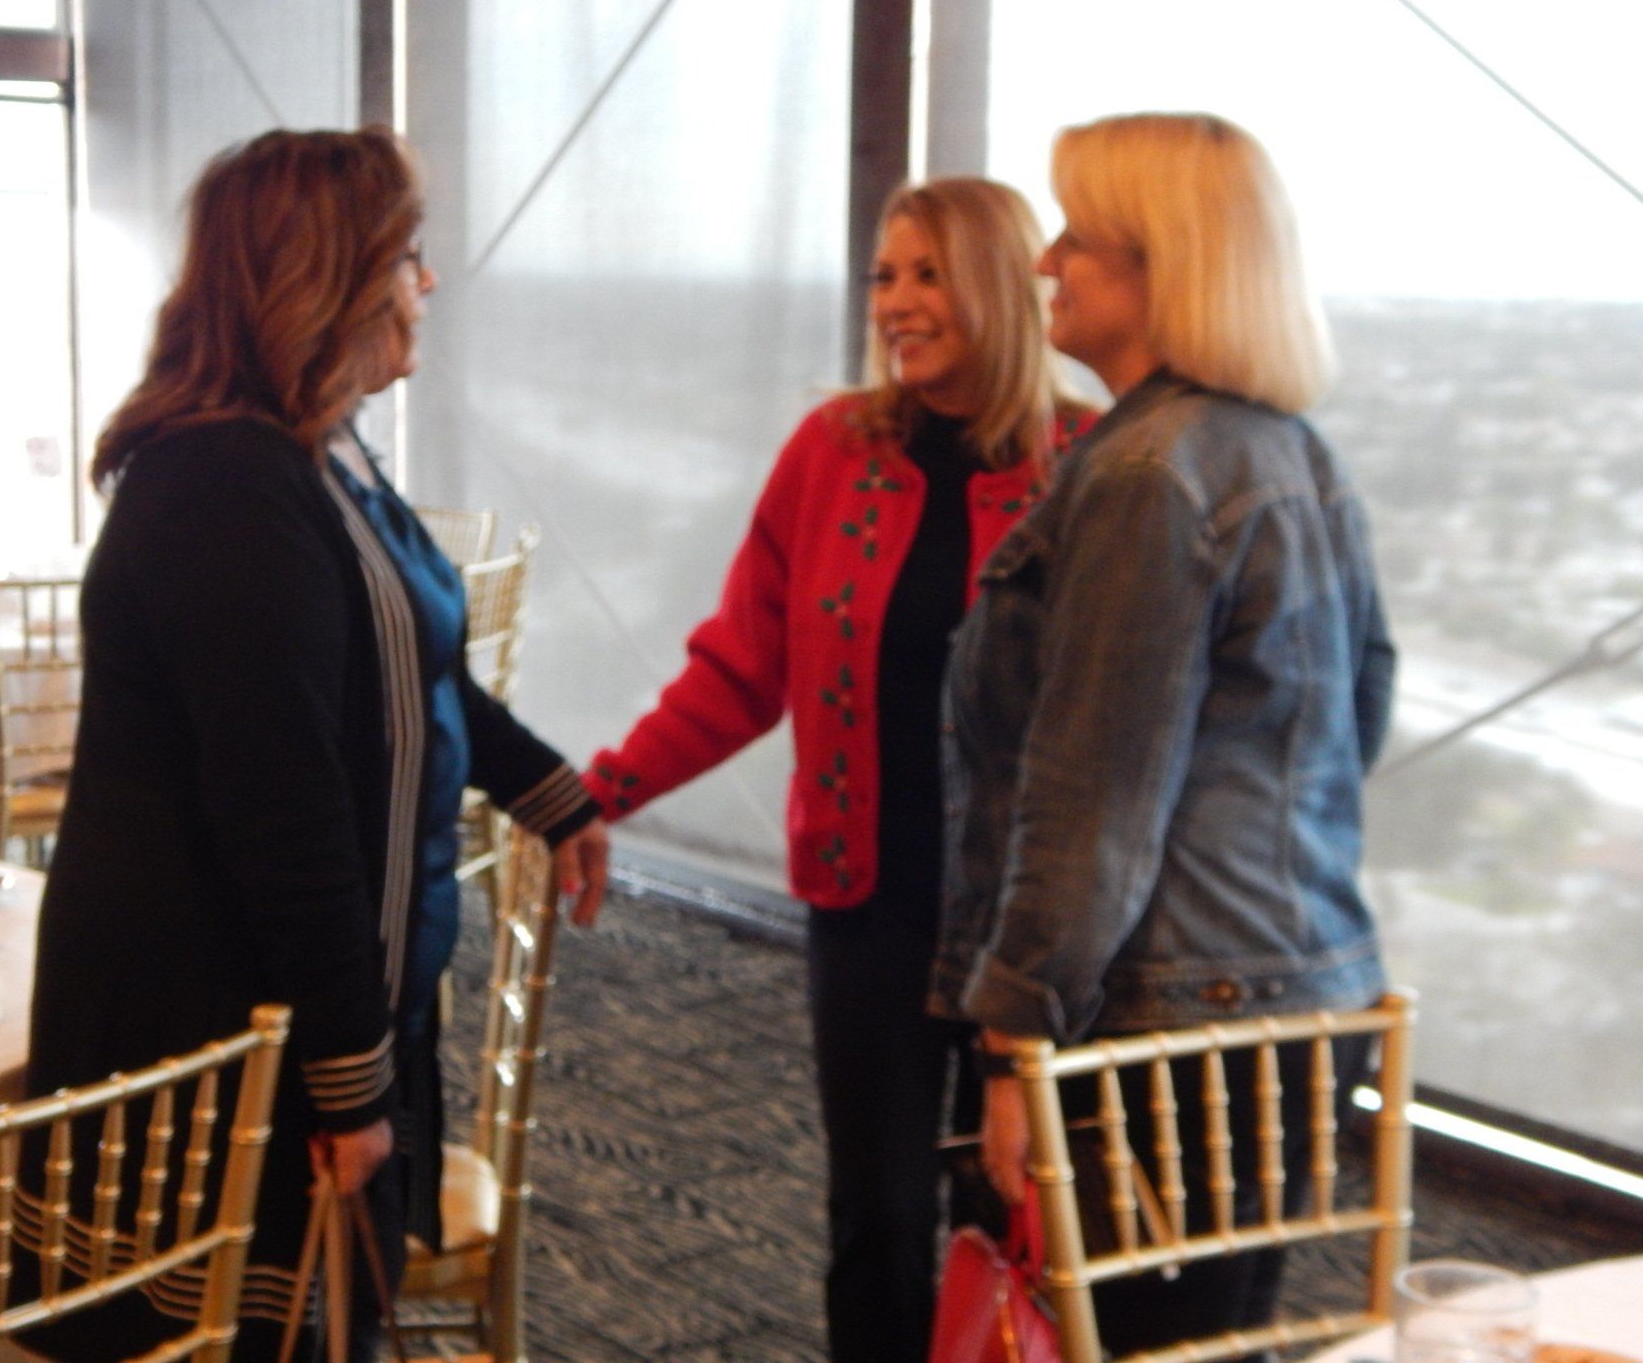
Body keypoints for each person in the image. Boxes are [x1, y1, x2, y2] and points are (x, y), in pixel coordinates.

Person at [18, 127, 610, 1362]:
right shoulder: (224, 480)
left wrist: (551, 793)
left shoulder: (315, 444)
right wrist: (349, 1072)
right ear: (325, 278)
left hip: (315, 999)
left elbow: (412, 667)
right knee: (255, 1335)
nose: (428, 284)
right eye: (407, 255)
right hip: (222, 1017)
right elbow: (280, 807)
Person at [585, 176, 1092, 1363]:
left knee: (1020, 1214)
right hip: (869, 905)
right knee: (875, 1214)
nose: (897, 304)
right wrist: (602, 787)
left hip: (1031, 924)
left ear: (1000, 286)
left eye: (928, 275)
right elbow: (741, 665)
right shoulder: (832, 452)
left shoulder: (1088, 463)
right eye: (883, 276)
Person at [930, 112, 1395, 1353]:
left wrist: (1018, 1039)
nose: (1045, 264)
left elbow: (1092, 797)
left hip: (1157, 1029)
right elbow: (1363, 713)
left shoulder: (1146, 473)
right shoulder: (1291, 452)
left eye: (1076, 238)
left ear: (1159, 265)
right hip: (1297, 999)